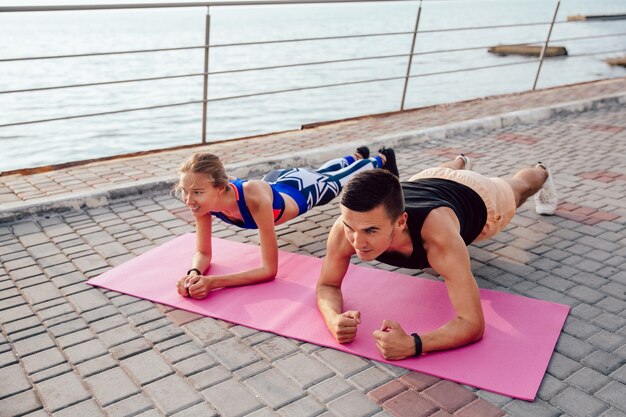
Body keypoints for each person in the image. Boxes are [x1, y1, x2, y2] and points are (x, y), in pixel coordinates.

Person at [316, 154, 558, 360]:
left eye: (370, 231)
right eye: (350, 227)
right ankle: (460, 161)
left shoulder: (440, 240)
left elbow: (472, 324)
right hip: (426, 179)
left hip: (479, 195)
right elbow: (326, 284)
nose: (357, 242)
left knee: (519, 188)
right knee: (444, 172)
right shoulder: (344, 228)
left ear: (400, 222)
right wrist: (333, 318)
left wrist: (413, 345)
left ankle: (542, 171)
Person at [175, 146, 399, 299]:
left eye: (196, 192)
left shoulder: (253, 199)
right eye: (185, 191)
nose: (188, 199)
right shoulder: (202, 203)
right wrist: (195, 273)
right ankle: (355, 156)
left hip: (302, 190)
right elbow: (203, 253)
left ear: (220, 188)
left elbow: (268, 270)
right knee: (321, 172)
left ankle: (381, 159)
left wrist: (212, 283)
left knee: (336, 180)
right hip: (276, 179)